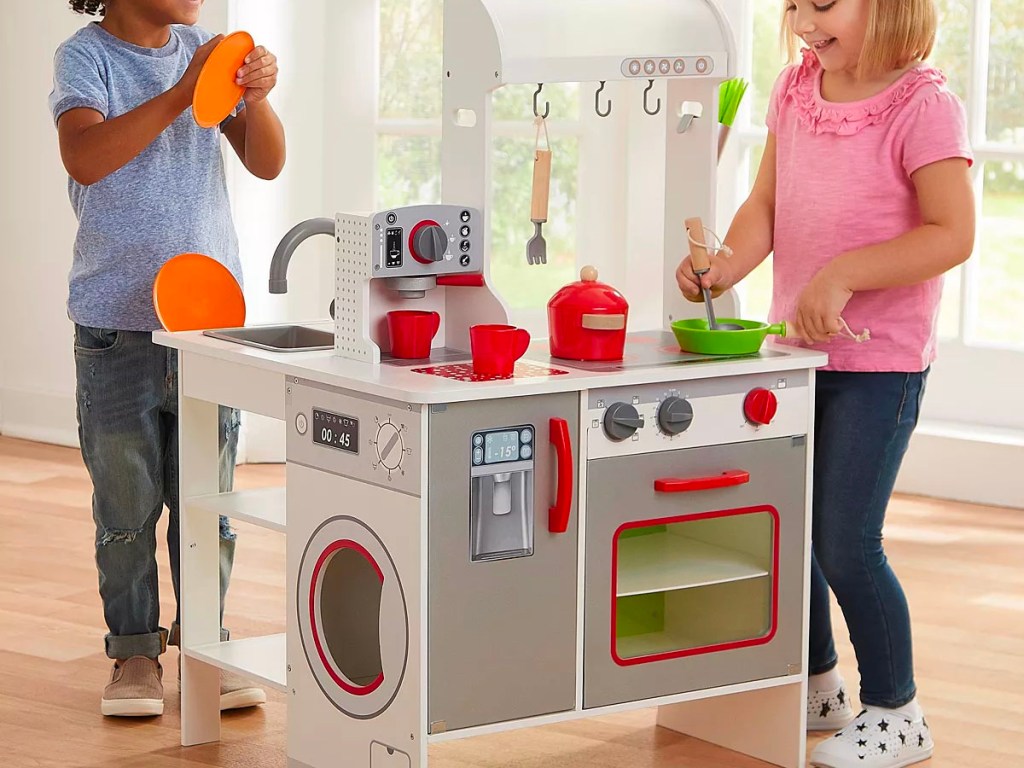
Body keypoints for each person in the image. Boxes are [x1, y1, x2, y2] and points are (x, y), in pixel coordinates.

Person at [676, 1, 973, 766]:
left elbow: (953, 233)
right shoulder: (794, 89)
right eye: (797, 5)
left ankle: (898, 710)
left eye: (826, 3)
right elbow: (767, 205)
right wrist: (727, 264)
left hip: (881, 365)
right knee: (789, 527)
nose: (806, 21)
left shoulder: (925, 106)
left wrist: (842, 275)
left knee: (846, 542)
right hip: (795, 356)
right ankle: (816, 681)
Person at [50, 0, 286, 717]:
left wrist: (257, 99)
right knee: (126, 508)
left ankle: (209, 642)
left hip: (208, 329)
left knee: (207, 505)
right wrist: (182, 92)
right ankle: (134, 655)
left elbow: (268, 162)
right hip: (116, 327)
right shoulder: (84, 57)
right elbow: (85, 157)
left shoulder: (208, 51)